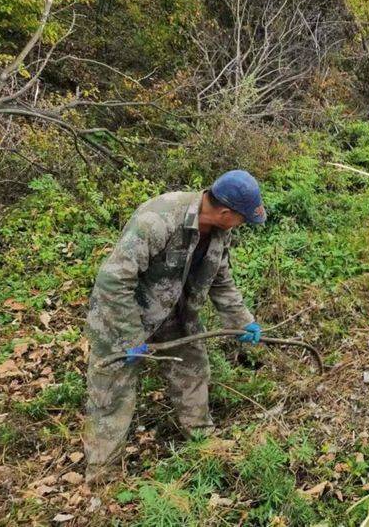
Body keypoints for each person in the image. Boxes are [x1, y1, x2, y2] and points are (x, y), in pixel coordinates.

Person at [83, 170, 267, 483]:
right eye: (241, 219)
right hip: (122, 315)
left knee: (193, 368)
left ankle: (203, 442)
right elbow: (113, 281)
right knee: (113, 392)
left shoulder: (220, 232)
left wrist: (243, 322)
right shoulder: (159, 219)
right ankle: (102, 475)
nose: (241, 225)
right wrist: (130, 337)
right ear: (226, 213)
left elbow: (221, 280)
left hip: (175, 313)